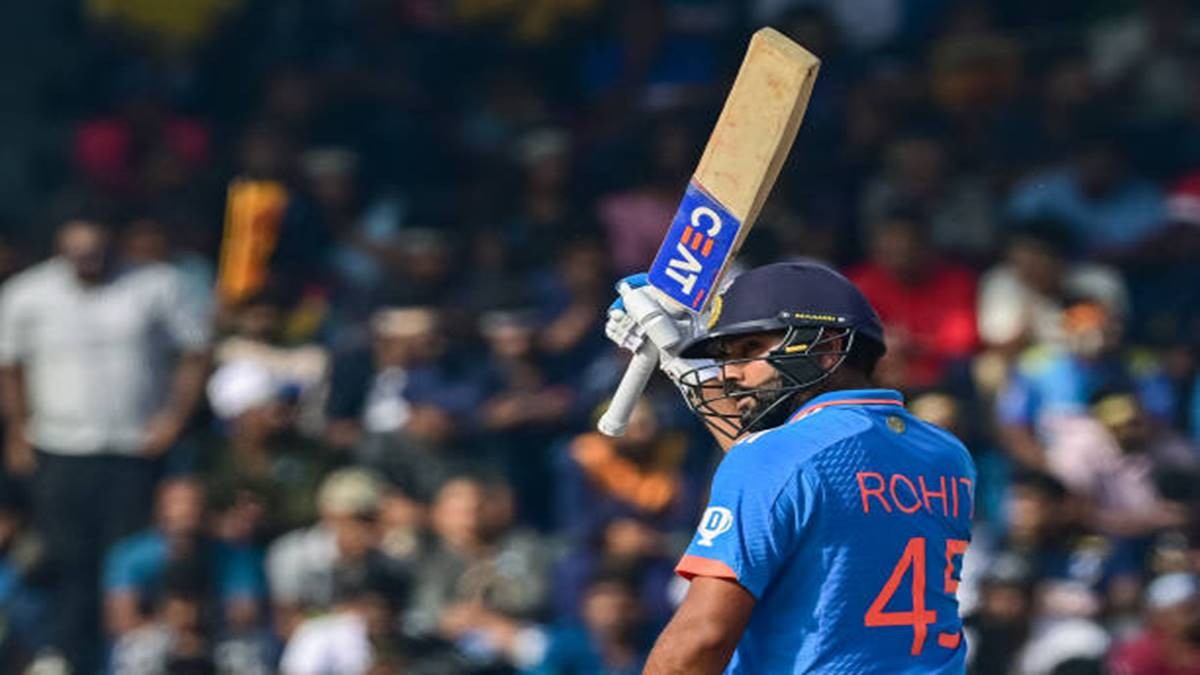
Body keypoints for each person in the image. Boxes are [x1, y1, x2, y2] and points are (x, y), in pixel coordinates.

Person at [605, 261, 976, 673]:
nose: (728, 375)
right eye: (723, 359)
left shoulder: (775, 460)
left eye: (749, 350)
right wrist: (684, 364)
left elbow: (703, 639)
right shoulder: (946, 455)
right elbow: (793, 471)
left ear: (827, 349)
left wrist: (684, 364)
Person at [0, 218, 211, 672]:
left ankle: (123, 656)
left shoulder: (156, 286)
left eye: (95, 251)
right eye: (77, 253)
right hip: (58, 446)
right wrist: (18, 430)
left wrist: (174, 420)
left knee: (124, 557)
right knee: (65, 555)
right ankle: (64, 653)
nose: (87, 261)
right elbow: (10, 366)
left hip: (132, 448)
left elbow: (196, 351)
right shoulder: (27, 293)